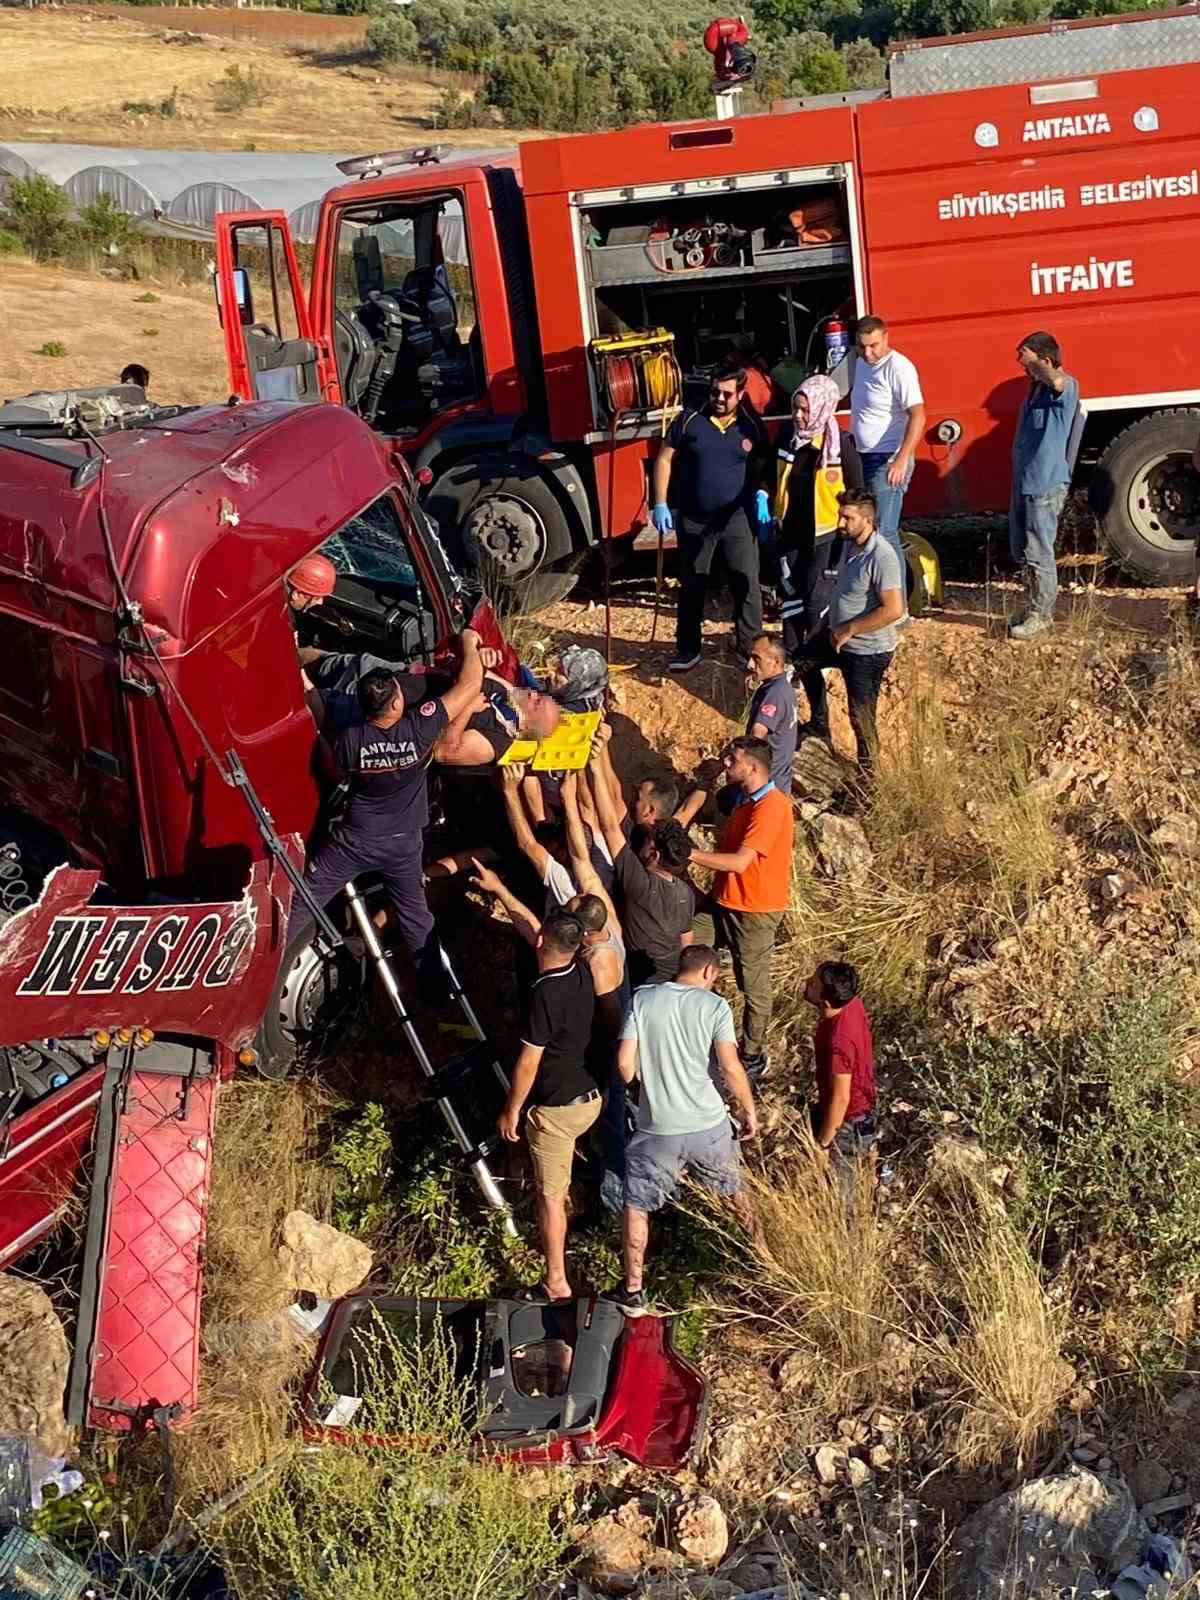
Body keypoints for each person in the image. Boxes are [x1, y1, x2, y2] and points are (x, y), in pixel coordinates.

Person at [285, 634, 485, 986]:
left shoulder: (351, 741)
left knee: (301, 903)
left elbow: (318, 715)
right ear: (395, 706)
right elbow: (470, 684)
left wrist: (299, 672)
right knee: (416, 919)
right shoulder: (419, 728)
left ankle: (255, 967)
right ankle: (438, 989)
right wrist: (469, 644)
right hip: (403, 845)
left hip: (353, 842)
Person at [604, 944, 759, 1314]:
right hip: (708, 1124)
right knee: (737, 1194)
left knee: (637, 1205)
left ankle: (634, 1290)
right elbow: (731, 1067)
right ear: (709, 973)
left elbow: (624, 1064)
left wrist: (642, 1088)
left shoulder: (642, 1000)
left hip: (658, 1128)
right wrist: (749, 1110)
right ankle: (762, 1259)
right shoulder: (715, 1006)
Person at [497, 909, 599, 1303]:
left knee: (550, 1196)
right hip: (588, 1098)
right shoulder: (581, 972)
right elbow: (535, 933)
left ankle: (557, 1280)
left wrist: (512, 1110)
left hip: (556, 1111)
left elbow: (528, 1062)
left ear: (543, 942)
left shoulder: (544, 993)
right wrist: (502, 894)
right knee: (562, 1181)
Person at [651, 359, 771, 673]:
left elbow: (764, 466)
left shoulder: (751, 426)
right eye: (715, 392)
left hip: (736, 519)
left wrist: (762, 493)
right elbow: (664, 459)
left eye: (727, 394)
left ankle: (749, 648)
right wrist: (660, 502)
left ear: (741, 394)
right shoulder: (689, 419)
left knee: (746, 583)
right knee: (692, 585)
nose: (719, 399)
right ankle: (688, 649)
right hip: (694, 519)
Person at [689, 737, 793, 1077]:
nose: (726, 763)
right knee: (687, 943)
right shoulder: (746, 799)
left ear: (752, 766)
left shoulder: (771, 807)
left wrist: (688, 855)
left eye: (732, 759)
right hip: (725, 900)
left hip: (754, 909)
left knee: (753, 986)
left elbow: (738, 862)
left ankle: (751, 1055)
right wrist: (710, 776)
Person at [794, 489, 903, 770]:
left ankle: (868, 781)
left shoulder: (882, 556)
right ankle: (819, 725)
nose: (840, 523)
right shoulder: (849, 545)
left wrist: (850, 629)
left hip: (867, 652)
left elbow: (894, 609)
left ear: (867, 520)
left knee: (861, 718)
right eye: (840, 516)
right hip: (837, 637)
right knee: (803, 660)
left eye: (847, 518)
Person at [772, 374, 864, 670]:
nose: (798, 416)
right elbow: (765, 470)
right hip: (790, 532)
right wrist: (763, 495)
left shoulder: (841, 444)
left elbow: (858, 491)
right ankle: (791, 657)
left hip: (826, 537)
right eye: (795, 408)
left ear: (823, 408)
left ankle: (816, 662)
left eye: (805, 410)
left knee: (816, 600)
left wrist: (854, 530)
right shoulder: (787, 435)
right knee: (789, 596)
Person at [590, 747, 696, 988]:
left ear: (654, 854)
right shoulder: (685, 892)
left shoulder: (641, 884)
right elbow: (686, 939)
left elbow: (609, 827)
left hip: (639, 975)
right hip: (668, 972)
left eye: (649, 841)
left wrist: (596, 770)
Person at [1008, 331, 1080, 642]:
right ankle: (1032, 605)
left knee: (1039, 550)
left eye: (1025, 359)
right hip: (1025, 481)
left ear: (1045, 359)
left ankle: (1042, 614)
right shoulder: (1034, 391)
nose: (1021, 366)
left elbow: (1059, 382)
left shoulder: (1064, 385)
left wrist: (1037, 363)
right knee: (1022, 549)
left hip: (1045, 482)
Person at [850, 316, 925, 574]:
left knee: (885, 532)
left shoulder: (899, 367)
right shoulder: (861, 363)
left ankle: (897, 605)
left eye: (874, 345)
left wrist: (901, 459)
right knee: (870, 530)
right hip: (865, 455)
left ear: (886, 338)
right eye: (862, 346)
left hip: (888, 459)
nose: (868, 353)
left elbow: (918, 415)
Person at [806, 960, 878, 1195]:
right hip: (862, 1111)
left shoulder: (840, 1041)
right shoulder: (851, 1004)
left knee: (842, 1193)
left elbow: (841, 1098)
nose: (808, 983)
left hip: (848, 1122)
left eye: (814, 984)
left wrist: (823, 1145)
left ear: (825, 1001)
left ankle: (848, 1229)